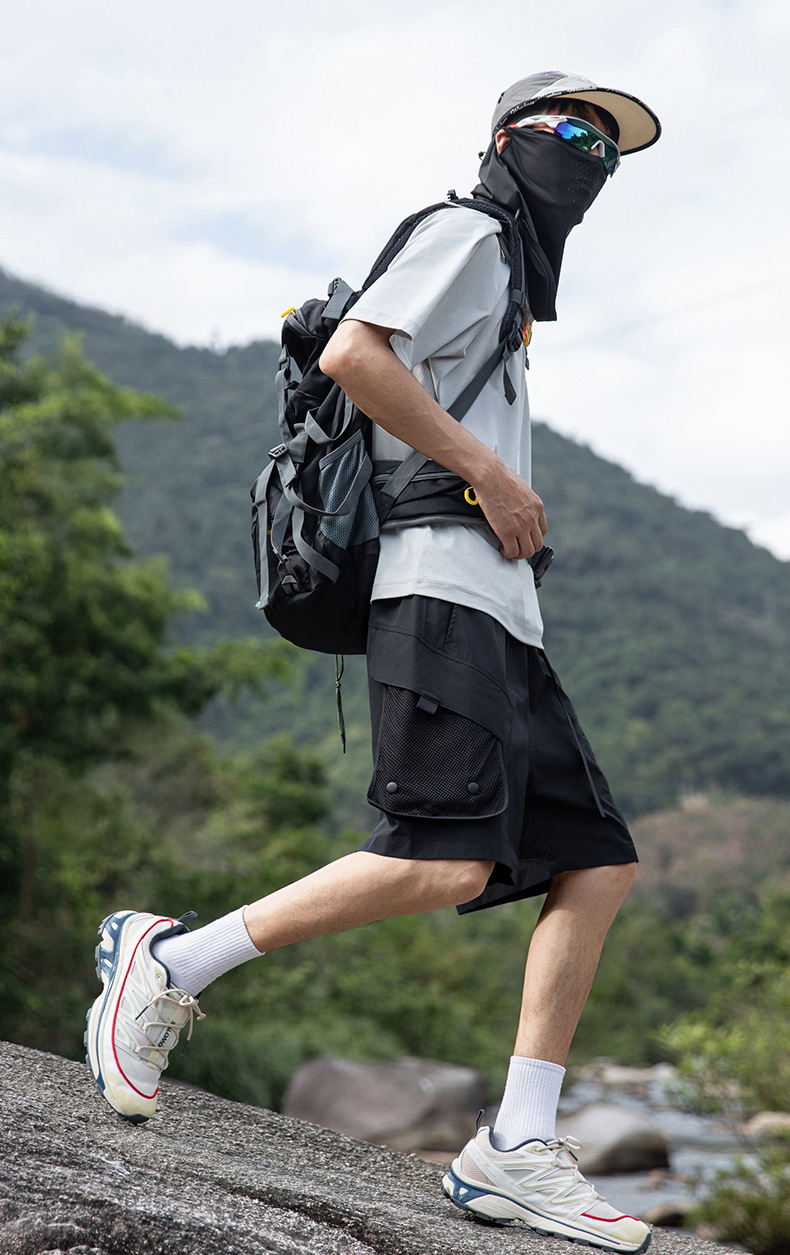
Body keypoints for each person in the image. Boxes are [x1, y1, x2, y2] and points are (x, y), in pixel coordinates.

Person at [86, 70, 661, 1254]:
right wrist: (490, 474)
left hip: (500, 614)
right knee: (445, 859)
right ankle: (172, 959)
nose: (589, 159)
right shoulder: (469, 233)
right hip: (438, 590)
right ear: (505, 140)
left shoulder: (508, 285)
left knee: (596, 861)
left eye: (608, 152)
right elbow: (357, 354)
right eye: (570, 130)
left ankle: (515, 1144)